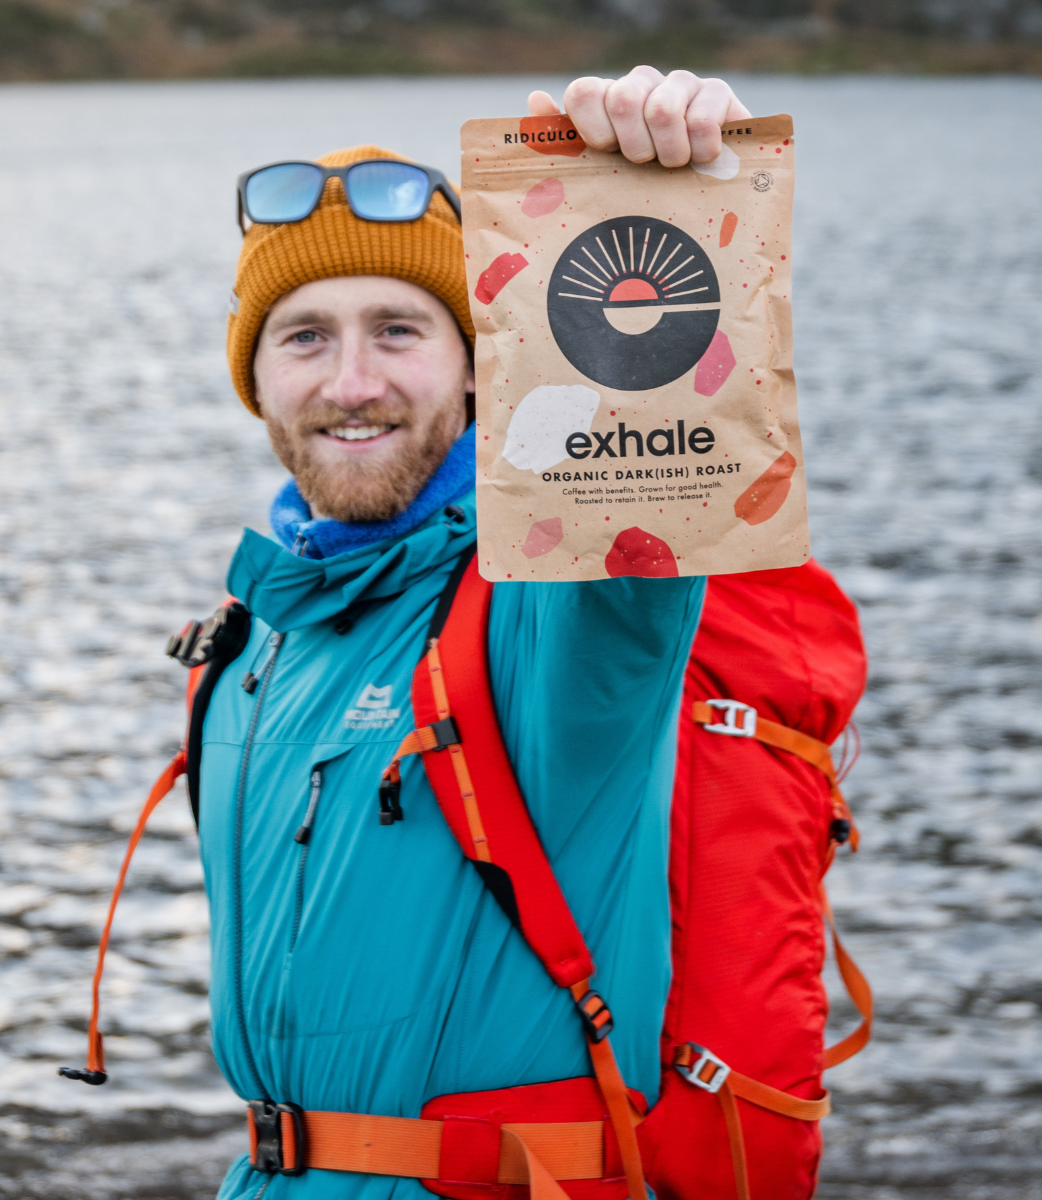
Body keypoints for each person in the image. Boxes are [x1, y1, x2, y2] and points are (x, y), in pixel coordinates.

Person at [202, 68, 751, 1200]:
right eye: (303, 337)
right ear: (254, 377)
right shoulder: (255, 637)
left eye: (399, 330)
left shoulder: (541, 600)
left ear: (479, 364)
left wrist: (658, 202)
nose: (352, 382)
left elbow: (650, 499)